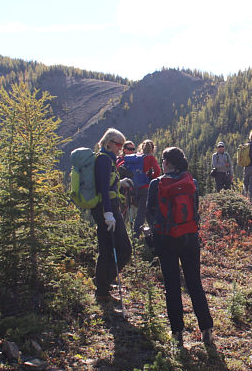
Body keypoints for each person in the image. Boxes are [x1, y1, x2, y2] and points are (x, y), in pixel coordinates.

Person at [146, 146, 214, 347]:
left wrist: (154, 233)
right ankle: (207, 329)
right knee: (195, 283)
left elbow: (150, 212)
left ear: (167, 163)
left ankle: (177, 333)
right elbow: (195, 208)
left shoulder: (155, 184)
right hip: (190, 237)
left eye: (163, 161)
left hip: (166, 239)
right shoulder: (192, 182)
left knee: (172, 285)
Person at [91, 128, 132, 304]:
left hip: (108, 209)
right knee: (121, 250)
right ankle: (102, 286)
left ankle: (102, 288)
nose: (120, 148)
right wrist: (108, 213)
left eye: (122, 145)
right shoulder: (104, 160)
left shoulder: (107, 159)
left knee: (108, 249)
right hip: (107, 210)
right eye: (118, 144)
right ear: (108, 142)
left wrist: (120, 183)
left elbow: (108, 184)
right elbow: (103, 190)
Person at [130, 139, 162, 237]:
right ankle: (136, 235)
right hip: (144, 187)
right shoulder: (150, 158)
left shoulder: (136, 157)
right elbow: (157, 171)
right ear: (152, 149)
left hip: (133, 187)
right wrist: (150, 178)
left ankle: (129, 232)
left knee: (130, 211)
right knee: (142, 212)